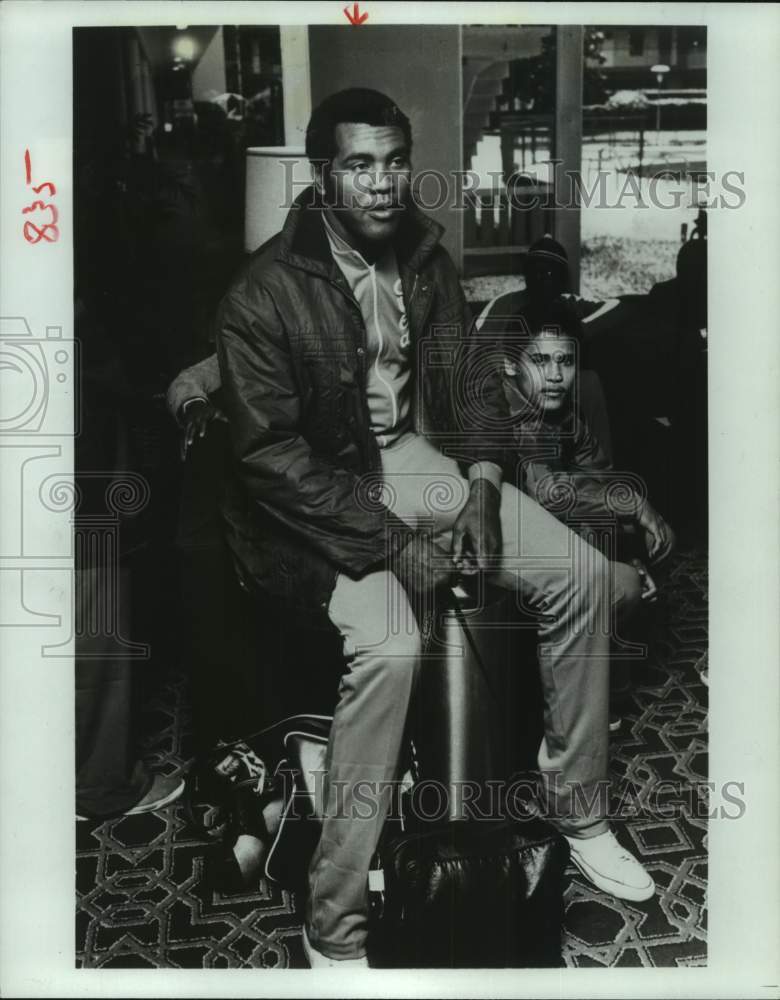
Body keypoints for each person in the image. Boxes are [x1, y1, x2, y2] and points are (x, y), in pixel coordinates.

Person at [194, 87, 656, 966]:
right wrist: (393, 544)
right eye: (359, 165)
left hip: (409, 459)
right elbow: (269, 462)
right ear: (323, 173)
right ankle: (333, 921)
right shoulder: (261, 292)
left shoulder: (427, 255)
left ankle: (580, 812)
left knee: (584, 575)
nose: (382, 184)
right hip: (314, 492)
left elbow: (471, 389)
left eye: (395, 162)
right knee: (395, 646)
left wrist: (481, 485)